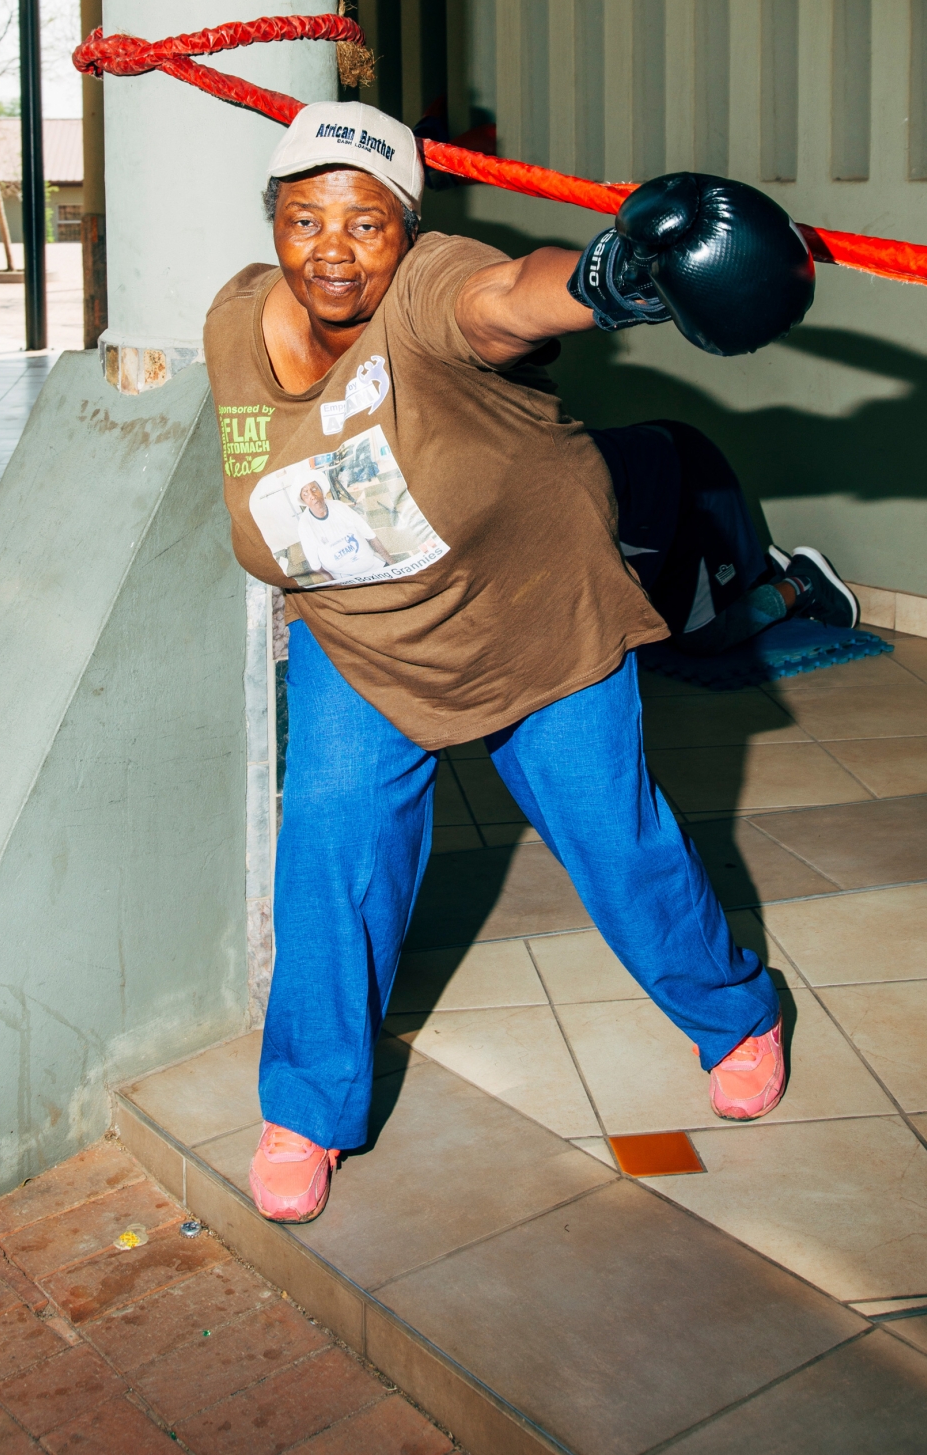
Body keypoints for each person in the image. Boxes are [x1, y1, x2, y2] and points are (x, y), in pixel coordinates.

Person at [204, 100, 816, 1223]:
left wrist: (609, 278)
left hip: (535, 617)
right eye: (304, 220)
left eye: (365, 224)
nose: (332, 248)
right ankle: (306, 1108)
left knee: (614, 838)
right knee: (330, 851)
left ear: (408, 232)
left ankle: (736, 1015)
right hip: (368, 636)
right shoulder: (237, 314)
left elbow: (506, 301)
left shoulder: (435, 289)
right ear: (271, 223)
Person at [591, 419, 857, 655]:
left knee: (702, 637)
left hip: (685, 474)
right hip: (640, 487)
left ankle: (806, 584)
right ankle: (754, 578)